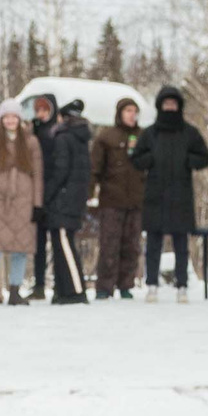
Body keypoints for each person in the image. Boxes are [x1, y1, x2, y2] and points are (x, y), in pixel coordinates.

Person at [130, 84, 208, 304]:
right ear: (160, 106)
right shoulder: (150, 133)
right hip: (155, 194)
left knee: (181, 244)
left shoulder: (189, 133)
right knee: (153, 243)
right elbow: (136, 159)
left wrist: (188, 161)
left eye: (173, 104)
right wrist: (150, 160)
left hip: (181, 194)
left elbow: (205, 157)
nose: (170, 108)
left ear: (179, 106)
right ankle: (151, 285)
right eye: (166, 104)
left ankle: (182, 286)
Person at [0, 108, 41, 305]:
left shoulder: (30, 142)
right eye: (7, 117)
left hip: (24, 199)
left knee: (21, 248)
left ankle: (15, 290)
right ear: (1, 119)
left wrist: (38, 204)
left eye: (14, 117)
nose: (11, 121)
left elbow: (37, 175)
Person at [42, 97, 93, 305]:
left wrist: (46, 195)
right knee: (61, 243)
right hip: (73, 200)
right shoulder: (80, 138)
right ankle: (63, 290)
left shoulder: (64, 138)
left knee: (64, 243)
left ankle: (76, 289)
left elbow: (60, 171)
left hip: (62, 201)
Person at [91, 97, 144, 300]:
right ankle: (104, 286)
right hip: (111, 200)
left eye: (134, 111)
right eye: (128, 110)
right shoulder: (106, 137)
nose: (132, 115)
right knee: (109, 244)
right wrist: (91, 194)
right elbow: (95, 168)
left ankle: (126, 284)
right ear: (120, 113)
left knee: (131, 245)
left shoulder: (143, 136)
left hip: (136, 200)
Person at [27, 91, 58, 297]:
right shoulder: (32, 132)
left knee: (56, 242)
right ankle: (38, 284)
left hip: (54, 192)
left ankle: (59, 283)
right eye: (38, 109)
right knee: (37, 243)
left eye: (45, 109)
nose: (41, 113)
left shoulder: (57, 131)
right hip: (34, 193)